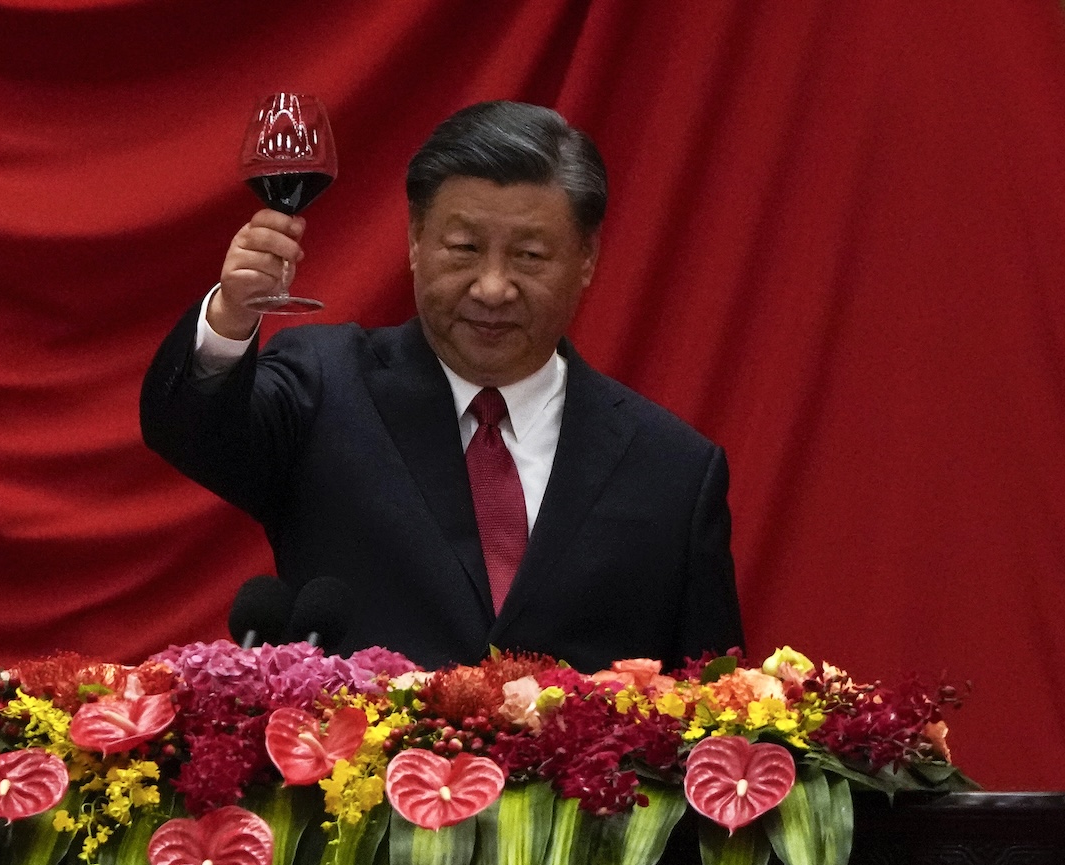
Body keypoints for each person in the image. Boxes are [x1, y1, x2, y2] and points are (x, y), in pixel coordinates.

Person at [141, 101, 743, 672]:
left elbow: (718, 710)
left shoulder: (674, 472)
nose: (491, 287)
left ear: (587, 258)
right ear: (415, 241)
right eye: (464, 249)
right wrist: (231, 318)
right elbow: (195, 430)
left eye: (530, 256)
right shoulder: (326, 386)